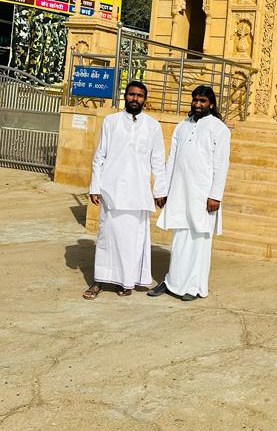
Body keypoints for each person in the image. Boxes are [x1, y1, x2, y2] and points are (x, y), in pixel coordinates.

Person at [83, 80, 167, 300]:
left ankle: (126, 281)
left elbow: (158, 161)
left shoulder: (152, 126)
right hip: (112, 191)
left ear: (144, 100)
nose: (134, 99)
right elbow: (99, 156)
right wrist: (95, 186)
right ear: (125, 96)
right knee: (106, 238)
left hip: (138, 193)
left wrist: (160, 191)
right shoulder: (111, 122)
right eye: (131, 94)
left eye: (139, 96)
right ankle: (99, 281)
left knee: (132, 241)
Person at [149, 85, 231, 302]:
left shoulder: (219, 129)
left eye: (202, 101)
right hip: (180, 192)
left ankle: (193, 287)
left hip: (203, 196)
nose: (197, 104)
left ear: (211, 104)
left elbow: (221, 165)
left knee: (199, 241)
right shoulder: (182, 126)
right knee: (179, 239)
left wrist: (215, 195)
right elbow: (172, 159)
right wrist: (164, 189)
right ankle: (171, 281)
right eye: (195, 100)